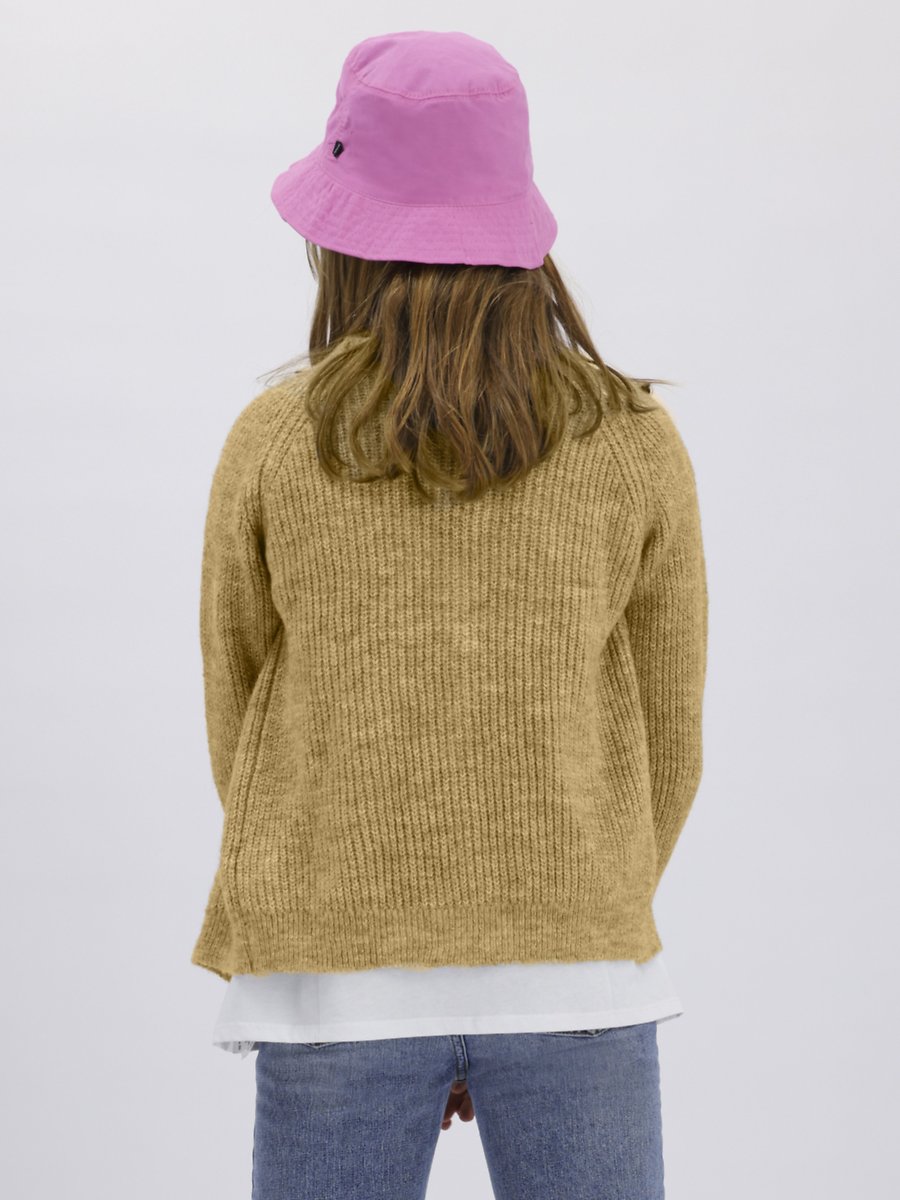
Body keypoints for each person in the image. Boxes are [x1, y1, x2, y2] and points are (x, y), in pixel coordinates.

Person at [190, 29, 709, 1200]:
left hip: (331, 983)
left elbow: (244, 716)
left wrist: (352, 885)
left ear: (343, 238)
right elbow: (670, 737)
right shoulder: (633, 440)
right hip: (581, 974)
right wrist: (561, 903)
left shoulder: (274, 441)